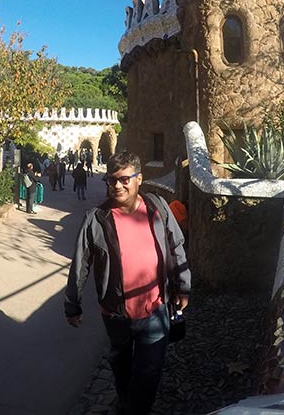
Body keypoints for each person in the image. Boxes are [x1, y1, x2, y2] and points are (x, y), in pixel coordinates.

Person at [64, 151, 191, 415]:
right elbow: (80, 265)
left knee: (150, 370)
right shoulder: (96, 219)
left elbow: (176, 246)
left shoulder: (157, 208)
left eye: (124, 179)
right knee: (120, 364)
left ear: (139, 179)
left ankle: (135, 409)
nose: (117, 186)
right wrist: (73, 305)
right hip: (116, 314)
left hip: (155, 309)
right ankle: (124, 399)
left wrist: (183, 285)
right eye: (111, 181)